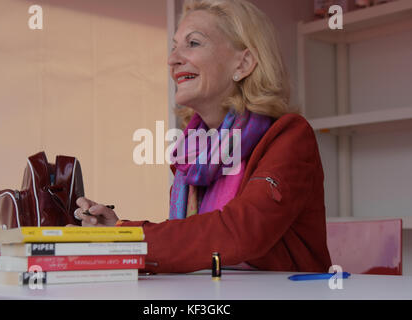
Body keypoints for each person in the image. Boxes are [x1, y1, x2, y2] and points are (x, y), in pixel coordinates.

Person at [73, 0, 332, 274]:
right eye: (174, 47)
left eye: (193, 43)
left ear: (243, 63)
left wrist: (124, 237)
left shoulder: (289, 137)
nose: (172, 59)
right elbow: (194, 244)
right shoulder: (192, 154)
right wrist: (115, 229)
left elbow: (239, 232)